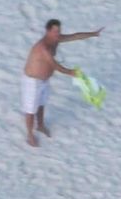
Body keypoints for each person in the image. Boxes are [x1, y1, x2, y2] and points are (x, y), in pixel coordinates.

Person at [22, 19, 103, 147]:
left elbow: (75, 36)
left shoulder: (56, 40)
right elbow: (54, 65)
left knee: (41, 104)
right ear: (47, 31)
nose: (57, 33)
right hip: (32, 81)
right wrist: (70, 72)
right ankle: (30, 135)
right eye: (54, 31)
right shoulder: (43, 47)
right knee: (31, 109)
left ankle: (41, 126)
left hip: (44, 80)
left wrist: (93, 34)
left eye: (59, 31)